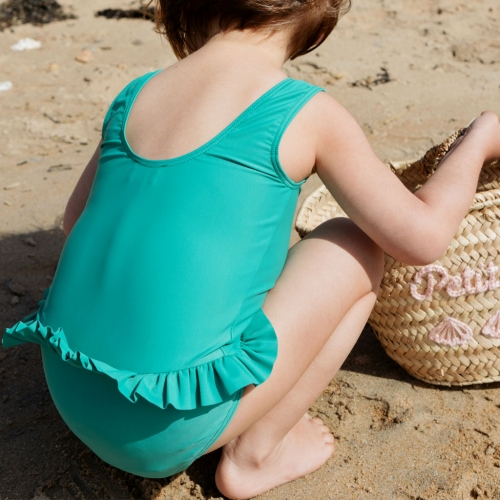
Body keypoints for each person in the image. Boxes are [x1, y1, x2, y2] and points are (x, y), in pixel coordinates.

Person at [3, 0, 500, 498]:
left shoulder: (136, 93)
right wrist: (475, 145)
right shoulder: (304, 110)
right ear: (320, 15)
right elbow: (423, 237)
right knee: (352, 243)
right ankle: (256, 453)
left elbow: (75, 220)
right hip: (164, 432)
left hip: (73, 391)